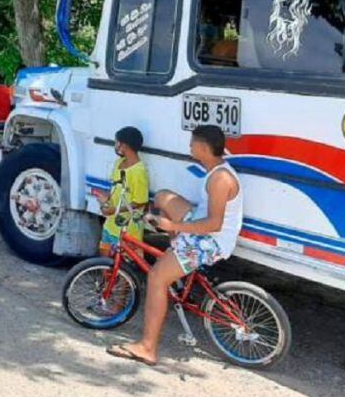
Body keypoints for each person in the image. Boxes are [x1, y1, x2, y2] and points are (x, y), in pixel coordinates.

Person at [107, 125, 243, 366]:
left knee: (157, 278)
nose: (189, 147)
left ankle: (147, 348)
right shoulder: (215, 170)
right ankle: (177, 253)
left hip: (211, 241)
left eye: (192, 144)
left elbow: (213, 224)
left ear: (202, 148)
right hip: (202, 228)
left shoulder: (220, 179)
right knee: (162, 197)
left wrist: (172, 226)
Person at [92, 127, 149, 254]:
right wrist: (105, 199)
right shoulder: (119, 163)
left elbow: (140, 202)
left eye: (116, 142)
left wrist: (115, 210)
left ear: (124, 146)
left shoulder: (139, 171)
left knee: (124, 265)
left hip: (128, 229)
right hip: (110, 225)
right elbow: (116, 189)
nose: (115, 145)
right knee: (104, 260)